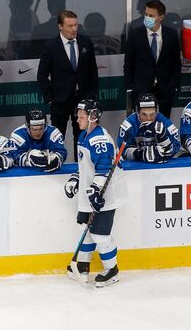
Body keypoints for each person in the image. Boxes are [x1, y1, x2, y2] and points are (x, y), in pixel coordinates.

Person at [64, 99, 120, 287]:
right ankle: (83, 266)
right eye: (78, 116)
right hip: (89, 196)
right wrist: (75, 179)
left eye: (81, 116)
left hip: (103, 195)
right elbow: (85, 167)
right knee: (84, 229)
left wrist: (96, 192)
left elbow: (103, 169)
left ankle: (112, 270)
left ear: (93, 117)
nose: (77, 119)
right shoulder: (83, 136)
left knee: (100, 235)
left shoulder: (100, 140)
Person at [37, 10, 98, 158]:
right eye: (70, 26)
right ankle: (55, 168)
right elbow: (42, 76)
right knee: (57, 138)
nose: (74, 29)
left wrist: (92, 97)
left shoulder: (85, 42)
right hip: (60, 101)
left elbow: (93, 71)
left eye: (76, 25)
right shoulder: (50, 46)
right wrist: (50, 99)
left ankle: (81, 169)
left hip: (83, 100)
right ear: (60, 26)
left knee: (82, 138)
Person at [124, 0, 181, 118]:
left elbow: (176, 62)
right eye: (146, 14)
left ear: (161, 17)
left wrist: (174, 86)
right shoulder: (135, 35)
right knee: (142, 127)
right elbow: (128, 64)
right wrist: (131, 88)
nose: (147, 18)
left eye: (151, 15)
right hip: (141, 90)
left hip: (165, 90)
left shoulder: (171, 34)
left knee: (163, 125)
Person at [118, 93, 180, 163]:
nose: (148, 118)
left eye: (152, 114)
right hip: (137, 166)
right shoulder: (128, 126)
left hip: (162, 165)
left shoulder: (165, 123)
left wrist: (163, 139)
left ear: (157, 112)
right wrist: (140, 154)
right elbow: (123, 151)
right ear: (137, 113)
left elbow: (176, 146)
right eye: (144, 114)